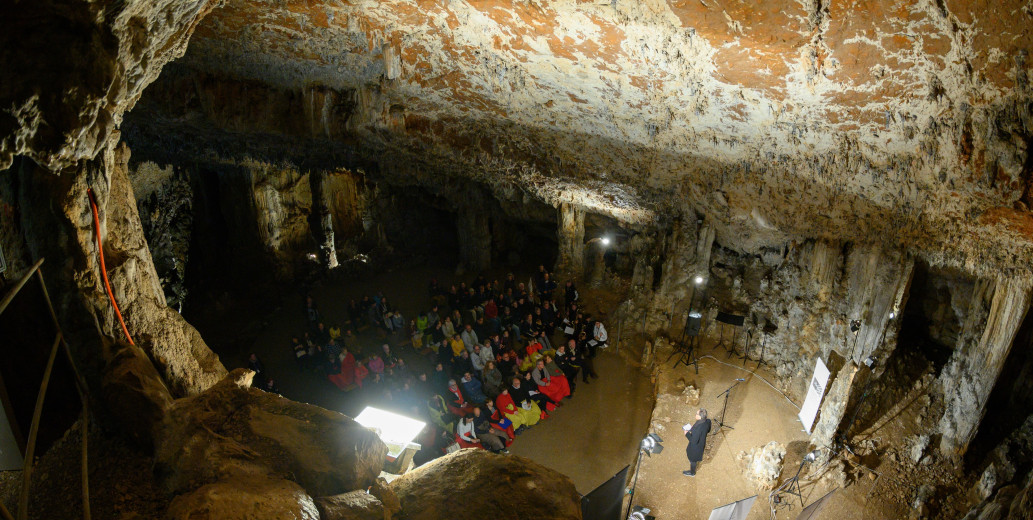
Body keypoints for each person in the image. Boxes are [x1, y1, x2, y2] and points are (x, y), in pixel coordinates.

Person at [683, 408, 711, 477]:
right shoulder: (707, 421)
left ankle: (692, 473)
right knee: (694, 457)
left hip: (696, 447)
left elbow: (693, 441)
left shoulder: (698, 429)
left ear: (700, 416)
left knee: (693, 459)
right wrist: (693, 429)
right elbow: (708, 430)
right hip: (701, 443)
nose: (695, 414)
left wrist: (686, 433)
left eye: (696, 414)